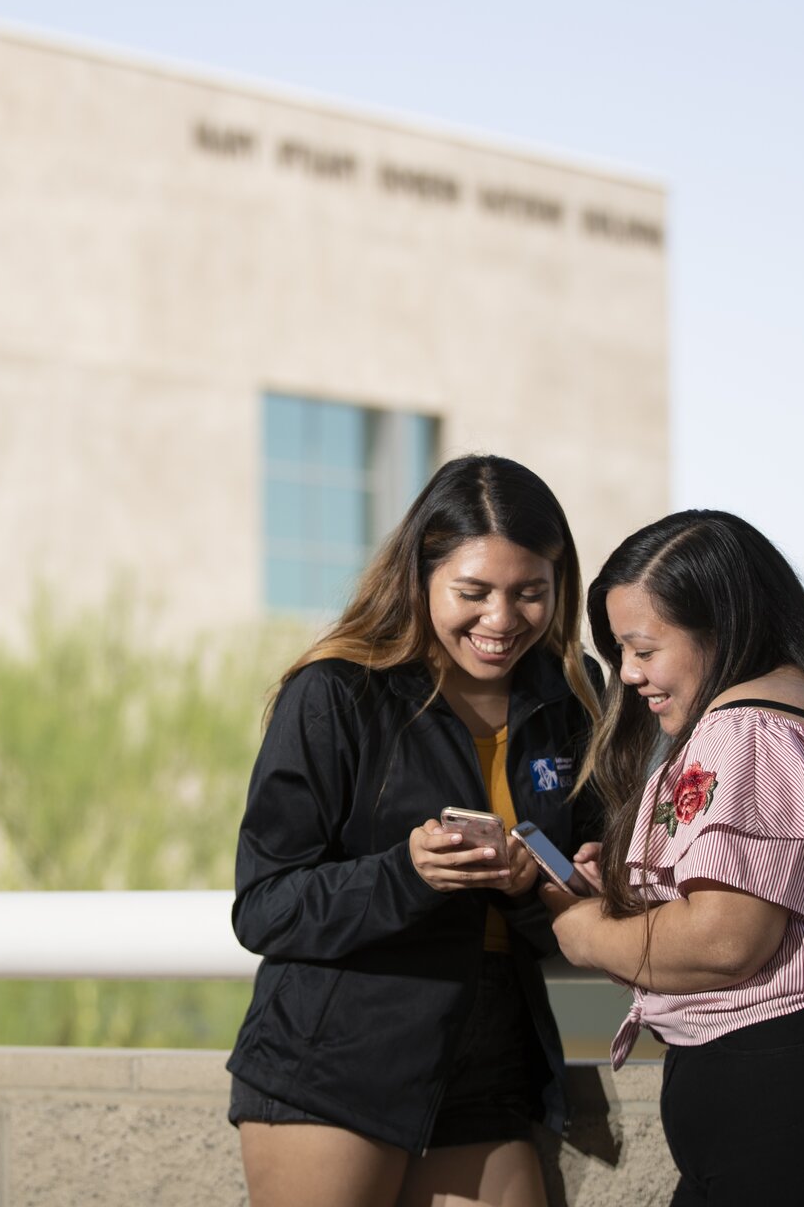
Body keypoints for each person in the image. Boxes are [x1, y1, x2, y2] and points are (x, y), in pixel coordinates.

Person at [542, 510, 804, 1206]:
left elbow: (724, 940)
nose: (629, 674)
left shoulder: (745, 731)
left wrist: (587, 931)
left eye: (645, 649)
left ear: (722, 626)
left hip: (803, 1109)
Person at [228, 454, 605, 1207]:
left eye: (531, 592)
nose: (502, 621)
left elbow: (581, 868)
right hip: (337, 1055)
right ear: (420, 577)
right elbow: (264, 904)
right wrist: (408, 873)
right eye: (473, 592)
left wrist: (550, 885)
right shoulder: (336, 692)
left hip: (496, 1043)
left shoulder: (576, 697)